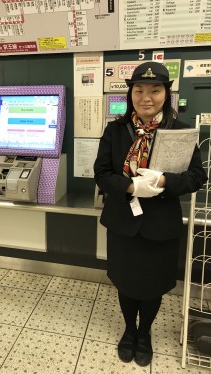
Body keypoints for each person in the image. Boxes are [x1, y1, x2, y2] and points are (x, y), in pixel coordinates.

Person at [94, 61, 208, 367]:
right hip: (123, 224)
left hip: (160, 226)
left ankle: (144, 334)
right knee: (126, 283)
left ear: (165, 94)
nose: (147, 97)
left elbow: (198, 176)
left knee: (153, 286)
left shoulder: (181, 132)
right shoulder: (116, 131)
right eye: (139, 90)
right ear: (131, 93)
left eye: (155, 90)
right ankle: (129, 330)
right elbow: (101, 173)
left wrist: (164, 182)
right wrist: (131, 188)